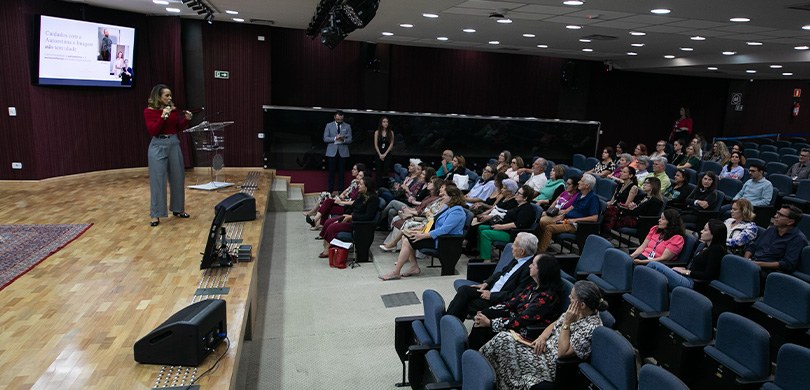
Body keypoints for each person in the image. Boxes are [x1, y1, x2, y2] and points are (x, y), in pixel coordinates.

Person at [480, 280, 607, 387]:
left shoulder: (590, 327)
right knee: (503, 338)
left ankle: (487, 381)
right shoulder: (576, 311)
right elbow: (555, 323)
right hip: (542, 349)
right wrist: (542, 337)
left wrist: (567, 323)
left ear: (582, 305)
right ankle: (480, 377)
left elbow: (562, 353)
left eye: (572, 297)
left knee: (504, 347)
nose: (569, 297)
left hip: (551, 365)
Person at [468, 254, 565, 350]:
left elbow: (522, 320)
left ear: (542, 270)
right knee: (485, 314)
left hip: (528, 330)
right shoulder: (534, 285)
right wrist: (490, 309)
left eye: (533, 264)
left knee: (485, 324)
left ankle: (473, 351)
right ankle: (471, 349)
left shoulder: (547, 297)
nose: (529, 266)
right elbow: (513, 301)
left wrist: (490, 323)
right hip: (516, 317)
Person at [380, 184, 467, 280]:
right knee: (406, 236)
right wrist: (421, 231)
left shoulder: (457, 211)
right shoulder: (449, 207)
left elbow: (444, 230)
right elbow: (434, 221)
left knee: (408, 241)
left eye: (444, 195)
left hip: (446, 242)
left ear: (452, 197)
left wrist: (423, 235)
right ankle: (413, 267)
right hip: (439, 238)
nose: (442, 197)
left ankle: (396, 272)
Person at [447, 233, 538, 320]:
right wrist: (486, 283)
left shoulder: (530, 269)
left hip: (499, 300)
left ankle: (448, 322)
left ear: (522, 251)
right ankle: (446, 319)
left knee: (466, 303)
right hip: (490, 290)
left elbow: (516, 295)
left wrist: (491, 295)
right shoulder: (518, 259)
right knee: (464, 290)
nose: (512, 247)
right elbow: (500, 273)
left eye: (514, 245)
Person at [143, 84, 192, 227]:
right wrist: (163, 116)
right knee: (158, 180)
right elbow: (153, 131)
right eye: (167, 95)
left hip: (173, 143)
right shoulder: (149, 111)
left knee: (178, 177)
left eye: (170, 95)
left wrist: (186, 120)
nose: (170, 98)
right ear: (158, 97)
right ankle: (156, 214)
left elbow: (176, 127)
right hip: (158, 145)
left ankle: (178, 209)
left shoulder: (173, 110)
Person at [647, 219, 728, 289]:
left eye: (705, 230)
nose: (701, 231)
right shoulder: (703, 246)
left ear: (714, 233)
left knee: (654, 265)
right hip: (687, 276)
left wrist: (687, 272)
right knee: (655, 275)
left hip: (692, 282)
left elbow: (709, 275)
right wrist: (684, 270)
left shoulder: (716, 250)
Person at [318, 176, 379, 257]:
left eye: (361, 184)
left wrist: (351, 217)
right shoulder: (361, 195)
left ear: (367, 186)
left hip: (358, 224)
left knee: (332, 227)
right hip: (350, 218)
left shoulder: (373, 199)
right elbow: (353, 207)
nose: (358, 186)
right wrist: (345, 214)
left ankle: (327, 250)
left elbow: (368, 216)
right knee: (328, 221)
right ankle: (326, 246)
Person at [536, 174, 600, 252]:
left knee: (549, 228)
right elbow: (572, 207)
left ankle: (541, 251)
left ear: (587, 186)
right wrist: (563, 214)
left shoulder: (593, 198)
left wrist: (576, 220)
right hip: (566, 219)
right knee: (542, 222)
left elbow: (594, 218)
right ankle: (540, 244)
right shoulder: (580, 194)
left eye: (581, 181)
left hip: (576, 225)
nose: (579, 182)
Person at [379, 178, 444, 251]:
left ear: (436, 186)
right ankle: (391, 244)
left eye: (431, 182)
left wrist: (410, 211)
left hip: (423, 218)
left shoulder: (436, 199)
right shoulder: (428, 196)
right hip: (417, 212)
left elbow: (424, 212)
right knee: (393, 213)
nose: (428, 183)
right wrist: (409, 210)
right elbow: (419, 208)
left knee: (394, 205)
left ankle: (392, 242)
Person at [476, 185, 538, 261]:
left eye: (519, 193)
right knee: (481, 227)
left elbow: (518, 224)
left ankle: (486, 260)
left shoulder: (527, 209)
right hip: (505, 228)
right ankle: (481, 253)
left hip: (511, 234)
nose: (516, 194)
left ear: (525, 198)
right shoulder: (519, 205)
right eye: (517, 192)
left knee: (485, 233)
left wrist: (500, 227)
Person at [745, 205, 809, 274]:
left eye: (780, 215)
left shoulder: (798, 239)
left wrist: (757, 264)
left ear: (790, 222)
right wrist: (746, 260)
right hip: (752, 263)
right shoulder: (771, 229)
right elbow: (753, 246)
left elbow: (787, 264)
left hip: (768, 271)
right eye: (777, 213)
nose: (775, 216)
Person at [306, 164, 365, 229]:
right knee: (327, 201)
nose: (358, 176)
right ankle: (316, 221)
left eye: (360, 175)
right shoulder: (354, 183)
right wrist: (341, 198)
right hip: (344, 202)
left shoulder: (362, 189)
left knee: (326, 200)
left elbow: (355, 202)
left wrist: (341, 202)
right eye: (358, 175)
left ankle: (315, 219)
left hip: (347, 207)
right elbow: (346, 191)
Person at [600, 166, 639, 234]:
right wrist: (606, 204)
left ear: (630, 175)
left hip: (623, 211)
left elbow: (626, 205)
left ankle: (605, 233)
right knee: (601, 205)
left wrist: (613, 206)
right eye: (621, 171)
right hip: (615, 208)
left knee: (611, 210)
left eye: (624, 172)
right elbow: (612, 200)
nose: (621, 173)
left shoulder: (633, 187)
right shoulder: (620, 185)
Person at [323, 110, 353, 193]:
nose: (339, 120)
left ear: (343, 117)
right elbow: (325, 138)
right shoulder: (329, 125)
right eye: (338, 118)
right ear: (335, 117)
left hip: (343, 152)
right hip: (332, 152)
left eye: (341, 119)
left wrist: (343, 140)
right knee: (331, 172)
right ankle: (330, 190)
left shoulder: (347, 126)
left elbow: (350, 139)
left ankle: (341, 191)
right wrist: (335, 138)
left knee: (341, 173)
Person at [373, 117, 395, 187]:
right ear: (381, 123)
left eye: (387, 122)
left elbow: (391, 144)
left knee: (386, 170)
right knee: (378, 170)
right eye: (384, 122)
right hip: (379, 153)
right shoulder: (377, 132)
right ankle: (377, 187)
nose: (386, 123)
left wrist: (385, 154)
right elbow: (375, 144)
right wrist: (380, 154)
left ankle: (385, 186)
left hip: (387, 153)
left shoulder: (391, 132)